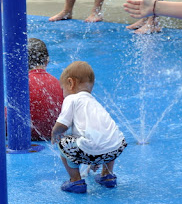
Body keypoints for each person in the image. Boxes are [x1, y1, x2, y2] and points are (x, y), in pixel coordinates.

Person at [51, 61, 127, 194]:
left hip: (93, 150)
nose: (63, 93)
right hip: (116, 148)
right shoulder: (94, 103)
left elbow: (62, 125)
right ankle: (107, 175)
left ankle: (75, 180)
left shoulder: (72, 99)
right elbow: (99, 136)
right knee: (110, 136)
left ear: (71, 83)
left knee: (63, 143)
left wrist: (54, 133)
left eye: (62, 89)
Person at [26, 38, 63, 140]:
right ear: (47, 61)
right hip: (53, 132)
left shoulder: (22, 84)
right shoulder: (58, 83)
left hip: (29, 133)